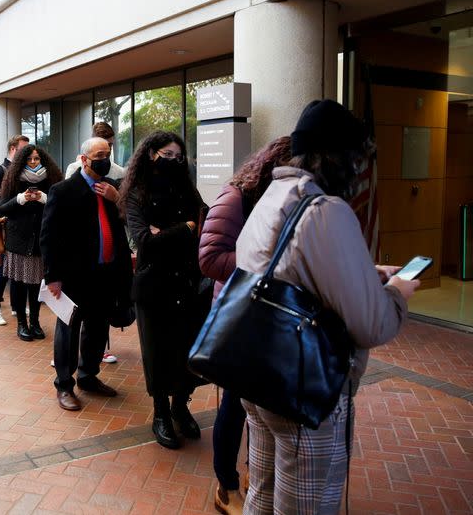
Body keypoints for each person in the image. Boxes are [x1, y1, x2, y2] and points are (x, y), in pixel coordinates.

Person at [237, 100, 419, 515]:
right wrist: (397, 291)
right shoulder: (326, 210)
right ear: (335, 156)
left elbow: (286, 267)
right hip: (302, 386)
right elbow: (372, 324)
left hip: (255, 373)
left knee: (262, 495)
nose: (359, 172)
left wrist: (362, 272)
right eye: (356, 159)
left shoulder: (275, 194)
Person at [199, 136, 291, 515]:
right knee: (235, 406)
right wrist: (266, 256)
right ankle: (226, 485)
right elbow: (210, 258)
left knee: (262, 406)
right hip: (239, 315)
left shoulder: (280, 200)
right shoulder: (236, 197)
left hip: (271, 316)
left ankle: (258, 477)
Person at [119, 131, 208, 449]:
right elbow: (144, 240)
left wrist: (170, 232)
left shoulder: (186, 188)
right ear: (151, 154)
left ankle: (180, 407)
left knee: (186, 351)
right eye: (166, 155)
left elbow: (204, 220)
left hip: (187, 283)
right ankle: (160, 414)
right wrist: (183, 228)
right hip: (153, 286)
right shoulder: (137, 192)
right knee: (157, 353)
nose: (173, 160)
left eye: (178, 156)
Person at [40, 137, 132, 411]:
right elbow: (49, 237)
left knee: (97, 326)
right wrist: (53, 275)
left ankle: (88, 375)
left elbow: (128, 221)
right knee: (68, 330)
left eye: (108, 154)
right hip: (73, 276)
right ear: (84, 159)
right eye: (99, 155)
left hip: (105, 273)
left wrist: (118, 201)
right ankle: (64, 385)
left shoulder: (112, 189)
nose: (105, 159)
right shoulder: (64, 191)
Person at [0, 144, 62, 340]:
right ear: (22, 161)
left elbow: (60, 207)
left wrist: (44, 198)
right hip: (18, 240)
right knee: (18, 284)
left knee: (36, 284)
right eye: (30, 159)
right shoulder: (13, 179)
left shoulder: (51, 179)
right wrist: (20, 199)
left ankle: (35, 322)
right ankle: (21, 324)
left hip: (40, 240)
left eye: (36, 159)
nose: (33, 162)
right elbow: (2, 208)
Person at [0, 134, 30, 326]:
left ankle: (15, 306)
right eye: (24, 149)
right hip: (4, 226)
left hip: (18, 227)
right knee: (5, 268)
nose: (29, 154)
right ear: (13, 149)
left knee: (15, 267)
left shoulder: (23, 170)